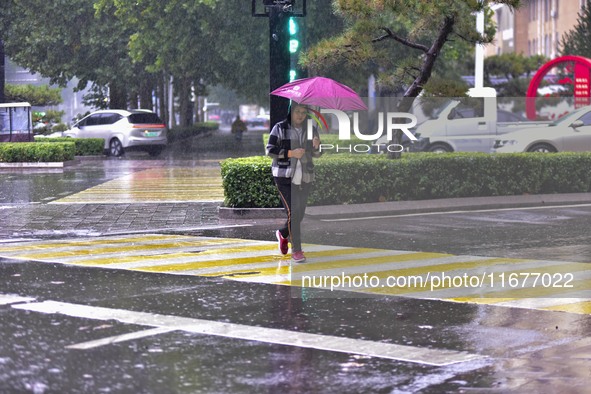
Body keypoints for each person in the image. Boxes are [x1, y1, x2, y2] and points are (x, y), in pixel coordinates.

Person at [266, 103, 321, 263]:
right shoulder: (280, 127)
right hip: (284, 177)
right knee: (294, 212)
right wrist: (291, 153)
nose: (300, 115)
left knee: (300, 214)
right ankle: (297, 250)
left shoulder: (311, 129)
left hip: (305, 177)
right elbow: (270, 150)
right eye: (297, 112)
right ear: (291, 112)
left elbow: (317, 154)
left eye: (304, 113)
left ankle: (283, 233)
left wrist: (317, 147)